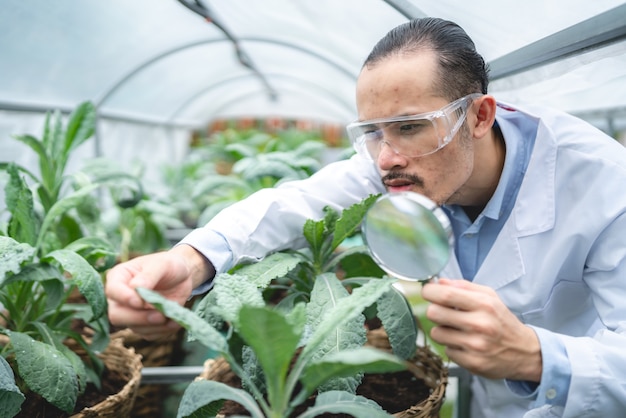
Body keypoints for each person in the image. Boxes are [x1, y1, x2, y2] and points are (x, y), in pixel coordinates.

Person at [106, 17, 626, 418]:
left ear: (480, 115)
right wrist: (191, 259)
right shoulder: (397, 159)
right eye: (373, 131)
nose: (385, 159)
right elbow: (299, 201)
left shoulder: (603, 186)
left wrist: (535, 357)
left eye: (408, 127)